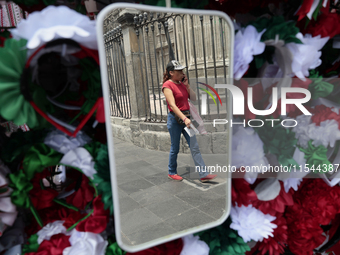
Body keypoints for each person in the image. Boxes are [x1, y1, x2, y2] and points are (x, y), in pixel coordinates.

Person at [162, 60, 217, 182]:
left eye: (182, 71)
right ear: (171, 72)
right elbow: (172, 105)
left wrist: (187, 85)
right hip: (175, 120)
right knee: (175, 147)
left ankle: (203, 174)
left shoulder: (181, 84)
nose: (182, 73)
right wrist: (185, 119)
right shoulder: (167, 85)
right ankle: (171, 172)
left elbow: (193, 98)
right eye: (179, 71)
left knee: (194, 146)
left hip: (187, 119)